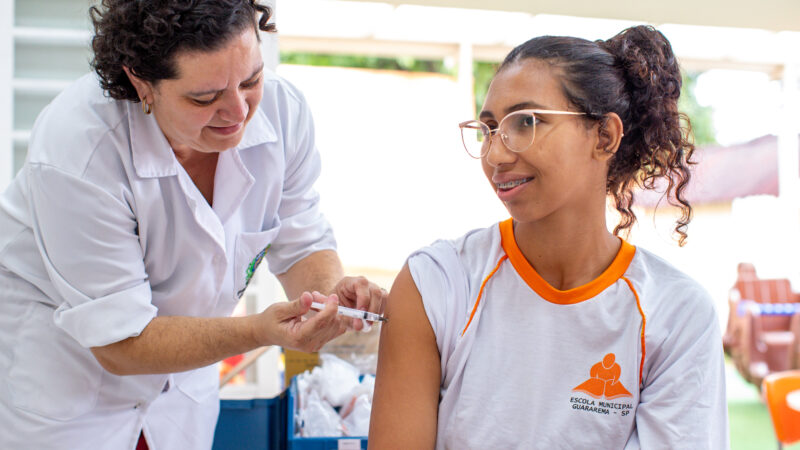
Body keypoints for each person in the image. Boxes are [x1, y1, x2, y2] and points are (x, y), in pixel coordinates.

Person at [0, 1, 386, 448]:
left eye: (251, 80)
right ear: (141, 82)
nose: (239, 112)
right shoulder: (79, 152)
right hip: (68, 389)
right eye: (205, 98)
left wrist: (327, 295)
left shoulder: (283, 112)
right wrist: (260, 330)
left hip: (181, 393)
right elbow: (119, 342)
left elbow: (299, 234)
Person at [369, 25, 728, 449]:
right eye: (489, 129)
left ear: (605, 137)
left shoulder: (676, 316)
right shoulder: (436, 285)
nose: (496, 154)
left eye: (526, 122)